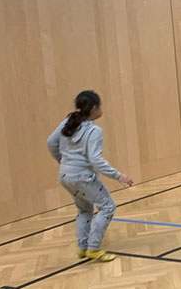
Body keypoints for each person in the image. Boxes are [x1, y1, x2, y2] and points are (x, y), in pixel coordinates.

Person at [46, 91, 133, 262]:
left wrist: (62, 161)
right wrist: (118, 176)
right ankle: (93, 248)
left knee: (84, 210)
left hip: (65, 176)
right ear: (94, 109)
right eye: (100, 106)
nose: (102, 108)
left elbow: (50, 143)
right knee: (107, 207)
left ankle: (83, 248)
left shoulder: (66, 123)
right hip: (82, 177)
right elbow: (95, 159)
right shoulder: (94, 131)